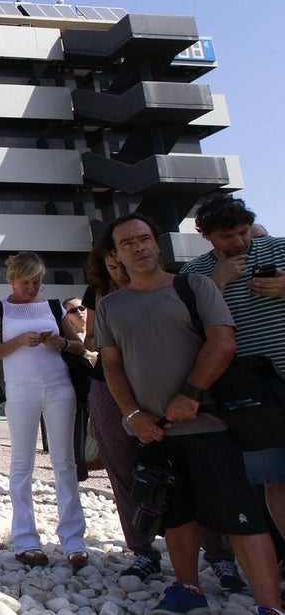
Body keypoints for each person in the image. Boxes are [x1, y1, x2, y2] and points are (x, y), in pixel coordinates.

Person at [97, 214, 282, 615]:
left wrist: (191, 394)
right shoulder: (110, 306)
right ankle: (187, 589)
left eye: (144, 238)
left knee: (240, 516)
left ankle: (270, 604)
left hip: (209, 425)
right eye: (127, 243)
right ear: (116, 255)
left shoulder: (194, 286)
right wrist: (132, 415)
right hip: (152, 432)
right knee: (175, 516)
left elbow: (223, 342)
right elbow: (111, 364)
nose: (139, 247)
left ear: (156, 243)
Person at [82, 235, 244, 589]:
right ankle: (142, 550)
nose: (120, 271)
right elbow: (94, 343)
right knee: (127, 472)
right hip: (112, 387)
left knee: (199, 473)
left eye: (122, 263)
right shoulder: (102, 296)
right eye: (113, 266)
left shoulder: (182, 285)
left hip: (174, 389)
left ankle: (220, 554)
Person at [179, 196, 285, 546]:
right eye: (228, 236)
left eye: (243, 232)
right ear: (206, 236)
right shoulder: (194, 275)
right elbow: (188, 332)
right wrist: (216, 283)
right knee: (275, 479)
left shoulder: (280, 248)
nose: (240, 242)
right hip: (251, 392)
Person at [0, 252, 88, 569]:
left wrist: (61, 343)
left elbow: (80, 346)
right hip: (21, 390)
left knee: (64, 462)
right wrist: (18, 342)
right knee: (21, 462)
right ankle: (26, 539)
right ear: (12, 280)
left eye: (37, 282)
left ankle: (74, 541)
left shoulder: (54, 307)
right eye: (26, 283)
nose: (32, 288)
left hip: (59, 387)